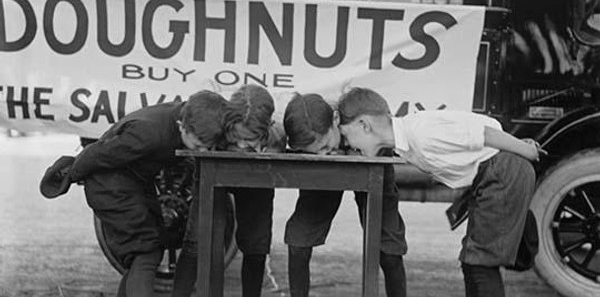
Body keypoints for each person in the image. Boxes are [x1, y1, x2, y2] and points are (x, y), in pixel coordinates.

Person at [336, 87, 543, 297]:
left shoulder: (420, 132)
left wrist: (526, 150)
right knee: (473, 263)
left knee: (480, 263)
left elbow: (485, 133)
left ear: (364, 125)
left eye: (346, 135)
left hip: (501, 175)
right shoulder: (406, 140)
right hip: (492, 177)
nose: (349, 145)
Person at [45, 90, 228, 297]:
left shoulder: (192, 113)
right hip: (109, 186)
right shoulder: (147, 134)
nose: (201, 152)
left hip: (135, 182)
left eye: (207, 147)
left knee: (147, 253)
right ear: (181, 126)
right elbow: (98, 154)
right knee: (145, 253)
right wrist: (70, 174)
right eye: (197, 146)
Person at [283, 93, 407, 297]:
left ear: (336, 120)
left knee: (388, 250)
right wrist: (321, 156)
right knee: (299, 241)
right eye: (315, 152)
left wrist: (349, 153)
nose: (323, 153)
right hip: (323, 175)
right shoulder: (307, 135)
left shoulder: (360, 122)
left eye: (324, 146)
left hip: (374, 169)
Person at [172, 84, 286, 297]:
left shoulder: (277, 137)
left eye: (250, 139)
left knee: (256, 244)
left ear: (267, 128)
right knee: (197, 241)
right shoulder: (217, 130)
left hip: (257, 179)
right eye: (236, 138)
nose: (242, 146)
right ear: (227, 126)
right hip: (212, 175)